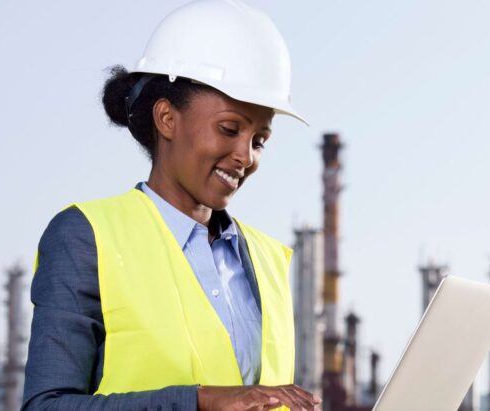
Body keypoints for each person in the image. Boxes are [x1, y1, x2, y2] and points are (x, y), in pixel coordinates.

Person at [21, 1, 319, 410]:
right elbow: (46, 406)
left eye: (259, 140)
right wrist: (199, 402)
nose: (245, 155)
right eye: (229, 129)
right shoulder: (86, 238)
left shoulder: (269, 261)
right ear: (166, 119)